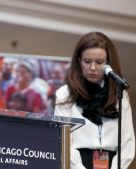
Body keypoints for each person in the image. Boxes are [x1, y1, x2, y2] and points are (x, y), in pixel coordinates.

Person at [54, 32, 135, 169]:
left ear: (108, 63)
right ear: (79, 60)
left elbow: (127, 142)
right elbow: (63, 143)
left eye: (99, 62)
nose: (92, 68)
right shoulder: (65, 94)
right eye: (87, 61)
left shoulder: (119, 94)